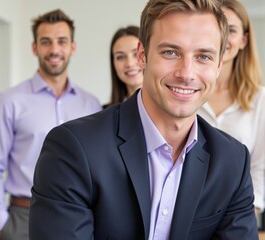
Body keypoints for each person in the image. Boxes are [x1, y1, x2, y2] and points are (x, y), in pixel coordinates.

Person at [29, 0, 259, 239]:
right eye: (171, 52)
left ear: (219, 65)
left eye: (203, 56)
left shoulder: (232, 161)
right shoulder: (73, 148)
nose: (186, 73)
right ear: (142, 55)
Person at [0, 9, 101, 240]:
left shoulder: (91, 104)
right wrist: (1, 226)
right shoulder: (8, 102)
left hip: (80, 217)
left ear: (72, 47)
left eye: (61, 41)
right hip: (23, 217)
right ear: (34, 47)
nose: (54, 50)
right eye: (46, 42)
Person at [198, 0, 265, 214]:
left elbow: (260, 168)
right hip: (185, 214)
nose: (224, 36)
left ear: (244, 40)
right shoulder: (188, 90)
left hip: (236, 215)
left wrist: (241, 219)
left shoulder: (260, 99)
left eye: (232, 30)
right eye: (218, 28)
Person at [104, 25, 143, 108]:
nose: (129, 63)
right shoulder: (103, 115)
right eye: (120, 57)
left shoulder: (172, 108)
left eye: (136, 54)